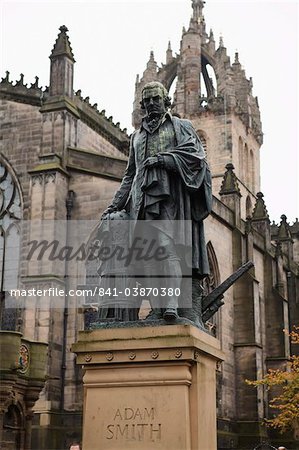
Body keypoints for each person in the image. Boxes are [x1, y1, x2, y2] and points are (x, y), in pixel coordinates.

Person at [102, 81, 212, 325]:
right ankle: (158, 308)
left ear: (166, 100)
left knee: (168, 248)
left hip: (172, 199)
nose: (152, 103)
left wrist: (164, 160)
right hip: (141, 202)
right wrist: (114, 205)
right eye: (147, 100)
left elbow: (196, 157)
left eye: (156, 99)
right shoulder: (136, 137)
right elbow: (130, 175)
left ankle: (172, 303)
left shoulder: (181, 127)